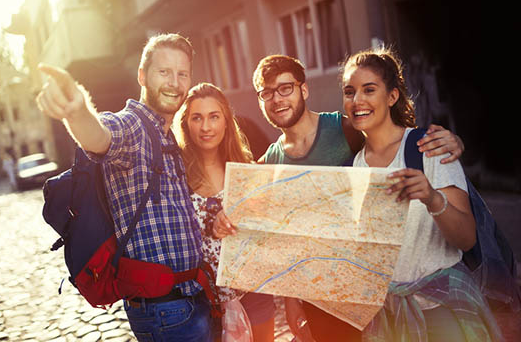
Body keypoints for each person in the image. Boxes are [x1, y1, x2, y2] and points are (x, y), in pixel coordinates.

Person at [213, 54, 467, 341]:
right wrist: (227, 217)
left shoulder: (346, 130)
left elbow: (390, 140)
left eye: (285, 88)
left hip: (379, 292)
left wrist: (451, 141)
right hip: (322, 296)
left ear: (303, 90)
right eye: (267, 93)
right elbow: (267, 226)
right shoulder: (270, 162)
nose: (277, 99)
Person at [36, 33, 213, 342]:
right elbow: (101, 136)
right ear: (142, 76)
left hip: (187, 300)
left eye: (181, 73)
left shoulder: (167, 135)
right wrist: (76, 112)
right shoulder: (134, 126)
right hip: (165, 310)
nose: (174, 82)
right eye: (163, 72)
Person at [340, 47, 502, 341]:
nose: (357, 100)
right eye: (349, 91)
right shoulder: (354, 167)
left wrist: (432, 198)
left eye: (369, 90)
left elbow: (466, 238)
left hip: (443, 312)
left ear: (392, 97)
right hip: (389, 318)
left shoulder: (429, 147)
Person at [173, 82, 256, 341]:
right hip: (199, 309)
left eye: (214, 117)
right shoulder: (175, 176)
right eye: (197, 118)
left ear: (226, 121)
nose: (206, 127)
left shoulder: (246, 170)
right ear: (186, 123)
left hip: (253, 298)